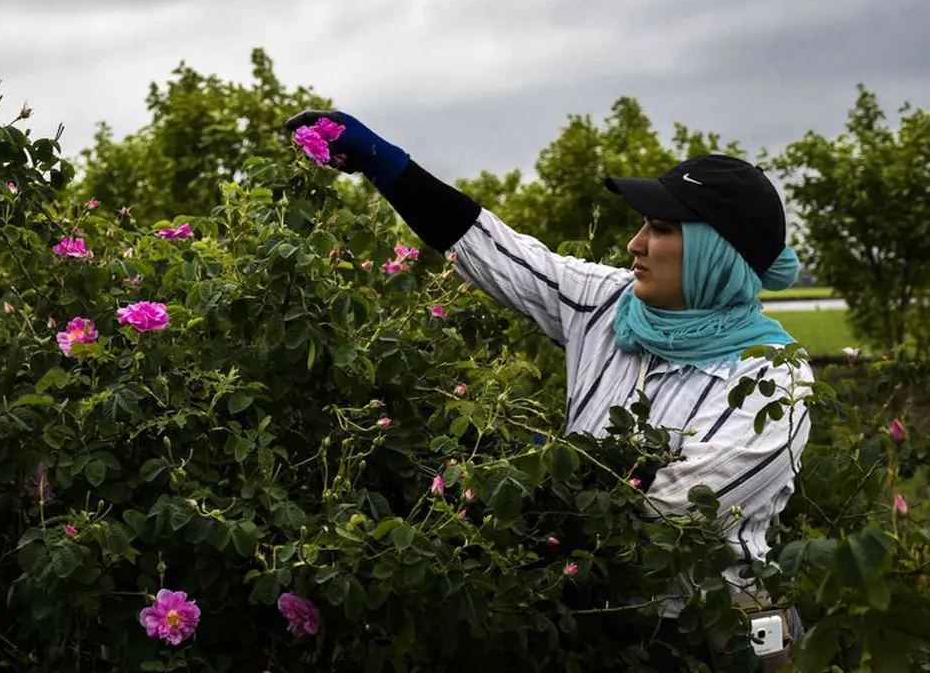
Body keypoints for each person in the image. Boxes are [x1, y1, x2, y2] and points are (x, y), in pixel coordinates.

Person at [285, 110, 812, 671]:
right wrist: (385, 164)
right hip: (591, 620)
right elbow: (494, 251)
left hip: (706, 636)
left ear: (715, 253)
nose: (634, 243)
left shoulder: (772, 381)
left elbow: (664, 509)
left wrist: (520, 476)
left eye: (660, 229)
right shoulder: (611, 304)